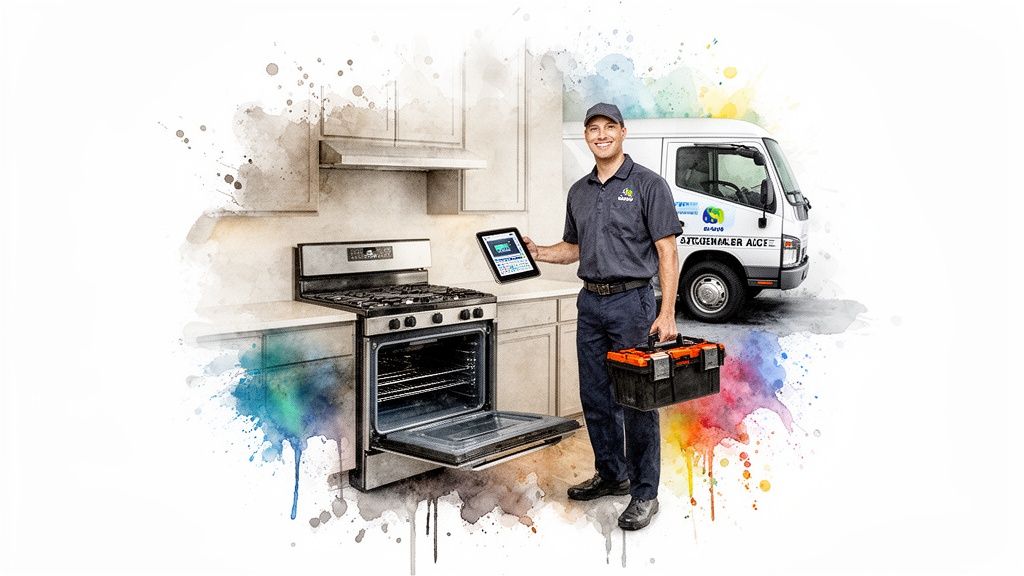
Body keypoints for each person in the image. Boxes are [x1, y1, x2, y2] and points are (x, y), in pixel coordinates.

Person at [523, 103, 682, 531]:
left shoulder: (648, 184)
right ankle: (612, 475)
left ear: (623, 132)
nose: (601, 135)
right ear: (586, 137)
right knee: (595, 397)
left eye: (609, 127)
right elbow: (573, 248)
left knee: (637, 401)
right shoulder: (579, 191)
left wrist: (667, 312)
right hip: (590, 304)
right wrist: (538, 252)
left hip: (633, 304)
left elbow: (667, 250)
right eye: (593, 129)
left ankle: (645, 493)